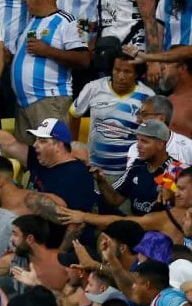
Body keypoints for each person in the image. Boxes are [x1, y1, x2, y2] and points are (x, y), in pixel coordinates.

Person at [0, 109, 100, 214]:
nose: (35, 144)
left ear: (59, 146)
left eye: (42, 141)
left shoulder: (77, 175)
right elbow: (8, 143)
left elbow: (72, 221)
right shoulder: (40, 159)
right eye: (36, 139)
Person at [12, 0, 90, 143]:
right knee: (28, 162)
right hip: (23, 105)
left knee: (54, 156)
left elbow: (84, 59)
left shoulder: (70, 21)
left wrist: (47, 50)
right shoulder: (31, 23)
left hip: (50, 101)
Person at [70, 55, 155, 178]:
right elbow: (74, 114)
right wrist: (73, 144)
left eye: (127, 72)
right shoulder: (94, 88)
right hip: (93, 170)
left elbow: (151, 132)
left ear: (137, 74)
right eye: (117, 70)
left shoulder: (147, 96)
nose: (121, 76)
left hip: (128, 174)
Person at [58, 167, 192, 243]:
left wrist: (83, 216)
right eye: (176, 188)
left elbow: (123, 222)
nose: (177, 193)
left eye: (181, 189)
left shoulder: (170, 216)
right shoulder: (140, 167)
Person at [101, 120, 185, 216]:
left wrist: (173, 194)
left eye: (144, 141)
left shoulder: (175, 169)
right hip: (136, 226)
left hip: (162, 228)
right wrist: (101, 181)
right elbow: (115, 200)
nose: (138, 146)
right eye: (138, 140)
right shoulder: (136, 166)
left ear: (160, 144)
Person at [127, 95, 192, 167]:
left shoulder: (189, 148)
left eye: (144, 115)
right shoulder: (134, 149)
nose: (138, 120)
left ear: (161, 119)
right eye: (139, 114)